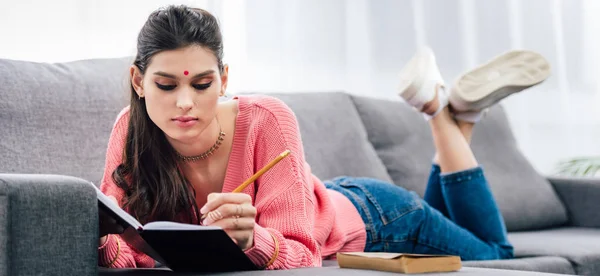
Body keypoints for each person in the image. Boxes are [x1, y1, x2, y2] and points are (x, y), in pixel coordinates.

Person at [98, 5, 551, 269]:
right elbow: (112, 239)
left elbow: (303, 256)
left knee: (496, 255)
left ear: (223, 78)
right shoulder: (130, 129)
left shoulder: (267, 119)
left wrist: (249, 239)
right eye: (165, 85)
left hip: (377, 218)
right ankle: (457, 114)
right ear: (138, 81)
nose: (184, 104)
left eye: (201, 84)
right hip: (321, 200)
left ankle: (442, 116)